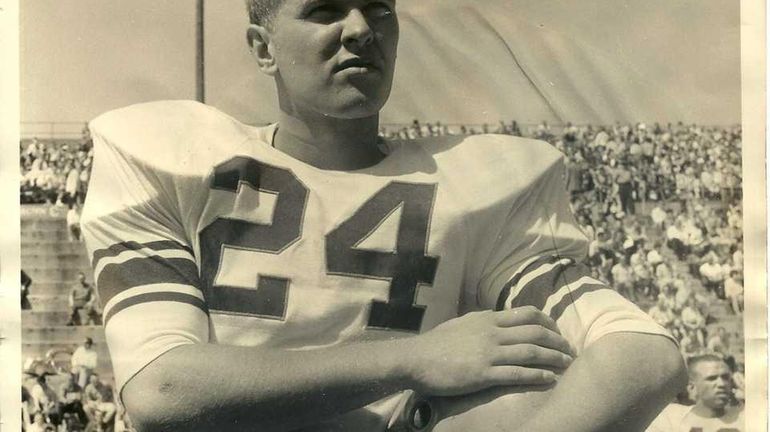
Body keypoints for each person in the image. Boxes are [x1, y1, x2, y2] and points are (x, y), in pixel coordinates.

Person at [80, 1, 684, 431]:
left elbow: (643, 355)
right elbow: (160, 389)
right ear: (262, 48)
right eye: (324, 10)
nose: (359, 30)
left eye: (379, 9)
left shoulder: (480, 186)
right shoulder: (166, 155)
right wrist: (414, 360)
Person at [647, 354, 744, 431]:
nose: (721, 384)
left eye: (725, 377)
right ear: (692, 387)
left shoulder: (744, 416)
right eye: (712, 378)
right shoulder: (670, 418)